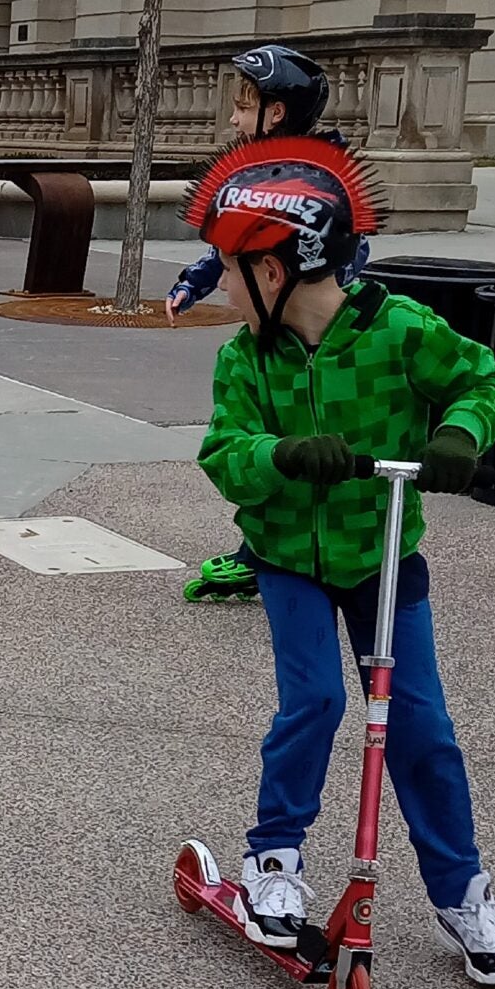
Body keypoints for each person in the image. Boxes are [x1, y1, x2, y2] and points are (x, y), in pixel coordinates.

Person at [190, 136, 495, 987]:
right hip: (290, 559)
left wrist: (458, 435)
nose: (221, 285)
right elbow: (224, 451)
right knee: (314, 701)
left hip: (382, 557)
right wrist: (280, 455)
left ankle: (461, 891)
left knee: (419, 727)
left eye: (230, 268)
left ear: (276, 271)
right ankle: (273, 859)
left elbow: (482, 380)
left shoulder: (399, 331)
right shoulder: (245, 358)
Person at [167, 44, 335, 605]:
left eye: (242, 108)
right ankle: (262, 551)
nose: (233, 120)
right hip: (275, 335)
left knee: (298, 435)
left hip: (312, 339)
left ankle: (277, 554)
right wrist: (195, 281)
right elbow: (230, 245)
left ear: (275, 112)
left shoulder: (318, 177)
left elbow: (342, 256)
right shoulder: (253, 176)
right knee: (267, 439)